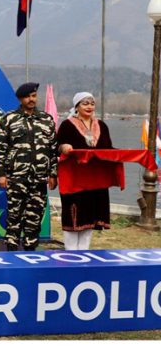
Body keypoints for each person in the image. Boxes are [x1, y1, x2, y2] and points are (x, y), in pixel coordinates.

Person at [0, 82, 58, 251]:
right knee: (14, 216)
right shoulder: (9, 119)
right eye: (27, 96)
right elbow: (0, 149)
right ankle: (12, 252)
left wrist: (53, 174)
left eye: (34, 96)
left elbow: (52, 150)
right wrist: (1, 173)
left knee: (34, 218)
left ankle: (31, 251)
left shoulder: (46, 120)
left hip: (39, 178)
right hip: (16, 178)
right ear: (21, 98)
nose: (31, 99)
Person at [56, 92, 113, 250]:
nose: (89, 107)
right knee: (73, 218)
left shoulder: (102, 125)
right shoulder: (67, 125)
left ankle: (84, 254)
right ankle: (70, 254)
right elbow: (55, 146)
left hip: (96, 180)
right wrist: (63, 147)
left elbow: (108, 150)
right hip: (74, 179)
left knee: (89, 218)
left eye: (92, 103)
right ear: (76, 107)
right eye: (85, 103)